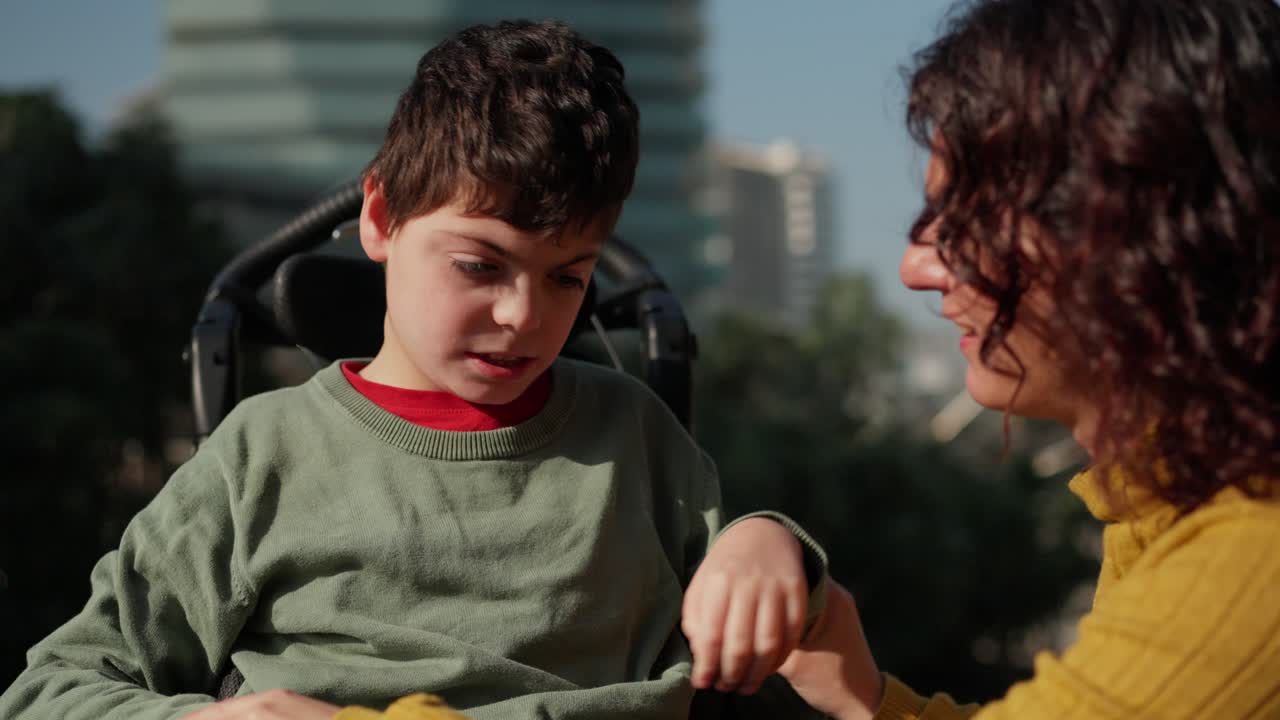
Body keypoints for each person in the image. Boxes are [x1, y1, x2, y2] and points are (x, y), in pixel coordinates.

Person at [0, 20, 829, 720]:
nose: (523, 316)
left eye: (568, 277)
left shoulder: (636, 438)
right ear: (381, 217)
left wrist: (770, 541)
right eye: (479, 266)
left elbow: (783, 606)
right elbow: (47, 690)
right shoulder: (263, 457)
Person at [769, 0, 1280, 718]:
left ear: (1139, 235)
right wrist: (865, 699)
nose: (916, 267)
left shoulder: (1250, 558)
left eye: (969, 221)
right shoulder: (1174, 502)